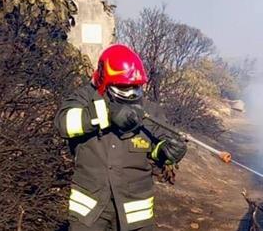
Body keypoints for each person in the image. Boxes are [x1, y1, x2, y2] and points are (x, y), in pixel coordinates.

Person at [55, 44, 187, 230]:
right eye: (124, 87)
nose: (131, 92)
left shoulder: (148, 110)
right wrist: (105, 113)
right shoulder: (84, 98)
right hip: (90, 210)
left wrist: (167, 151)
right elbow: (63, 124)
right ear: (106, 82)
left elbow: (157, 147)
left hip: (135, 214)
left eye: (136, 87)